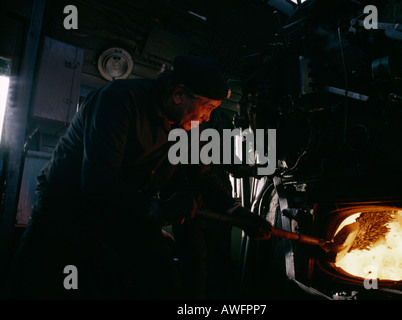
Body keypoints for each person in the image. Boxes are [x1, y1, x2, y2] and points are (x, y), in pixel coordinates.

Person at [3, 55, 271, 299]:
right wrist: (158, 209)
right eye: (206, 107)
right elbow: (98, 183)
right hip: (66, 205)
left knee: (161, 277)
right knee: (34, 282)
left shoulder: (187, 128)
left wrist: (237, 212)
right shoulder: (119, 101)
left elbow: (202, 174)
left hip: (124, 206)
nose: (207, 117)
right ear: (178, 94)